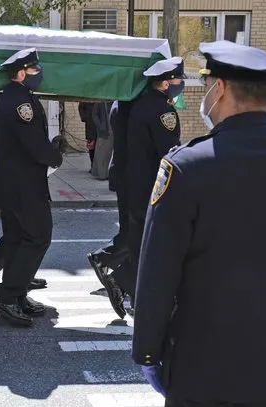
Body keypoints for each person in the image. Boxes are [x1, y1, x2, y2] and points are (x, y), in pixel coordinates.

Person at [133, 40, 266, 407]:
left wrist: (147, 352)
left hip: (202, 363)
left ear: (219, 88)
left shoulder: (187, 165)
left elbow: (159, 270)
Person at [91, 57, 184, 318]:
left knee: (138, 238)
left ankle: (131, 287)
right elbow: (169, 154)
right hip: (151, 186)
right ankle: (122, 281)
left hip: (131, 182)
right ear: (165, 83)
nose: (180, 85)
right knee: (152, 243)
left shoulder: (131, 105)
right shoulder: (162, 111)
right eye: (178, 80)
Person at [0, 47, 63, 326]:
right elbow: (34, 145)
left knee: (19, 239)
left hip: (13, 182)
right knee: (38, 237)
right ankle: (7, 297)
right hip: (24, 185)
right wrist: (54, 155)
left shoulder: (17, 97)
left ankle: (16, 295)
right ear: (20, 73)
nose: (38, 74)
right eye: (33, 70)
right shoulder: (21, 104)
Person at [86, 99, 133, 311]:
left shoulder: (121, 104)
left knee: (133, 232)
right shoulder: (145, 106)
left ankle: (105, 259)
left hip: (127, 177)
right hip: (138, 180)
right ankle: (120, 278)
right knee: (143, 237)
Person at [90, 101, 114, 180]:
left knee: (110, 155)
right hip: (104, 133)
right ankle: (102, 174)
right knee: (101, 154)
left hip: (114, 132)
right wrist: (100, 126)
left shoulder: (115, 101)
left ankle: (109, 174)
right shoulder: (101, 101)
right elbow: (94, 115)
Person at [78, 101, 97, 170]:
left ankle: (99, 166)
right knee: (91, 147)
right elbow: (81, 107)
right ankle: (93, 165)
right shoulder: (88, 96)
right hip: (90, 124)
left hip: (101, 124)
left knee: (100, 146)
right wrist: (85, 117)